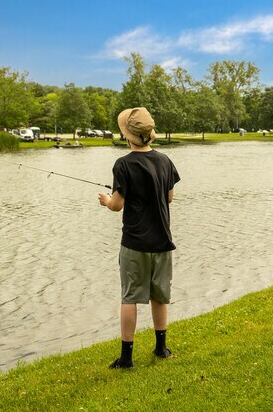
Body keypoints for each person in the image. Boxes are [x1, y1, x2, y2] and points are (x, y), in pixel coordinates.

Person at [98, 107, 180, 369]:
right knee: (160, 295)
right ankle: (161, 348)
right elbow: (169, 197)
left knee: (130, 297)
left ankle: (126, 357)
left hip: (135, 242)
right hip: (163, 241)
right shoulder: (165, 160)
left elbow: (117, 206)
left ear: (127, 135)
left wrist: (105, 200)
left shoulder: (123, 164)